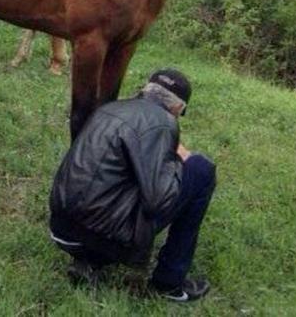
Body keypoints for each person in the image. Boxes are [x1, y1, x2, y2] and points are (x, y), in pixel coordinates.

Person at [49, 69, 216, 303]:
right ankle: (169, 282)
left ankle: (89, 262)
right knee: (202, 169)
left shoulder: (109, 108)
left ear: (145, 90)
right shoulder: (163, 123)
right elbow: (159, 199)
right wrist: (177, 160)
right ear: (178, 109)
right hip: (99, 238)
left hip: (61, 229)